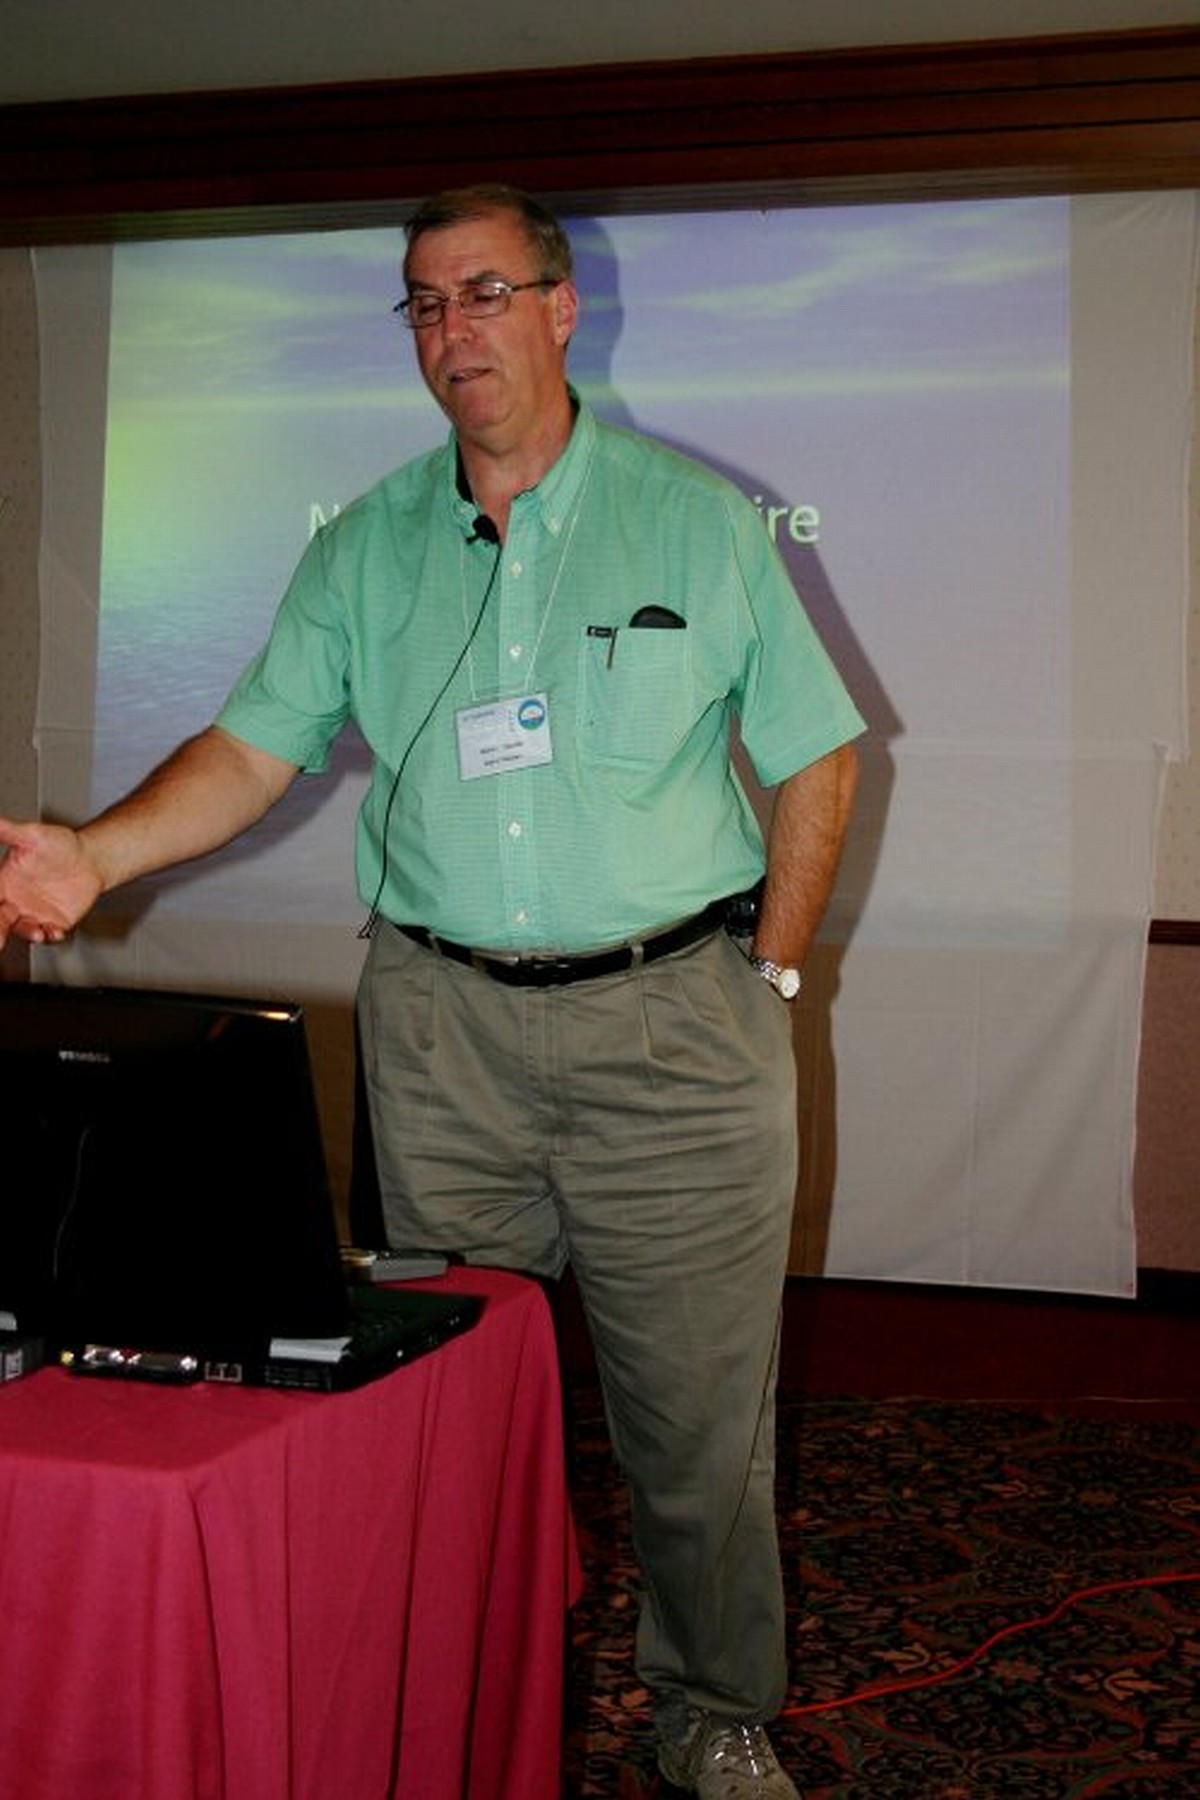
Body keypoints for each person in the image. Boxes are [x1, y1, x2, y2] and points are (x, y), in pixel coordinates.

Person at [0, 184, 863, 1798]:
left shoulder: (695, 521)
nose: (453, 330)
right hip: (443, 1039)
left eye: (484, 292)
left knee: (696, 1433)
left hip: (676, 1031)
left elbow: (819, 756)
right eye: (424, 302)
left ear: (561, 308)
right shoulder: (366, 543)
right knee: (442, 1399)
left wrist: (772, 972)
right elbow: (253, 748)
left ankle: (713, 1712)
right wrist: (94, 857)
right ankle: (464, 1700)